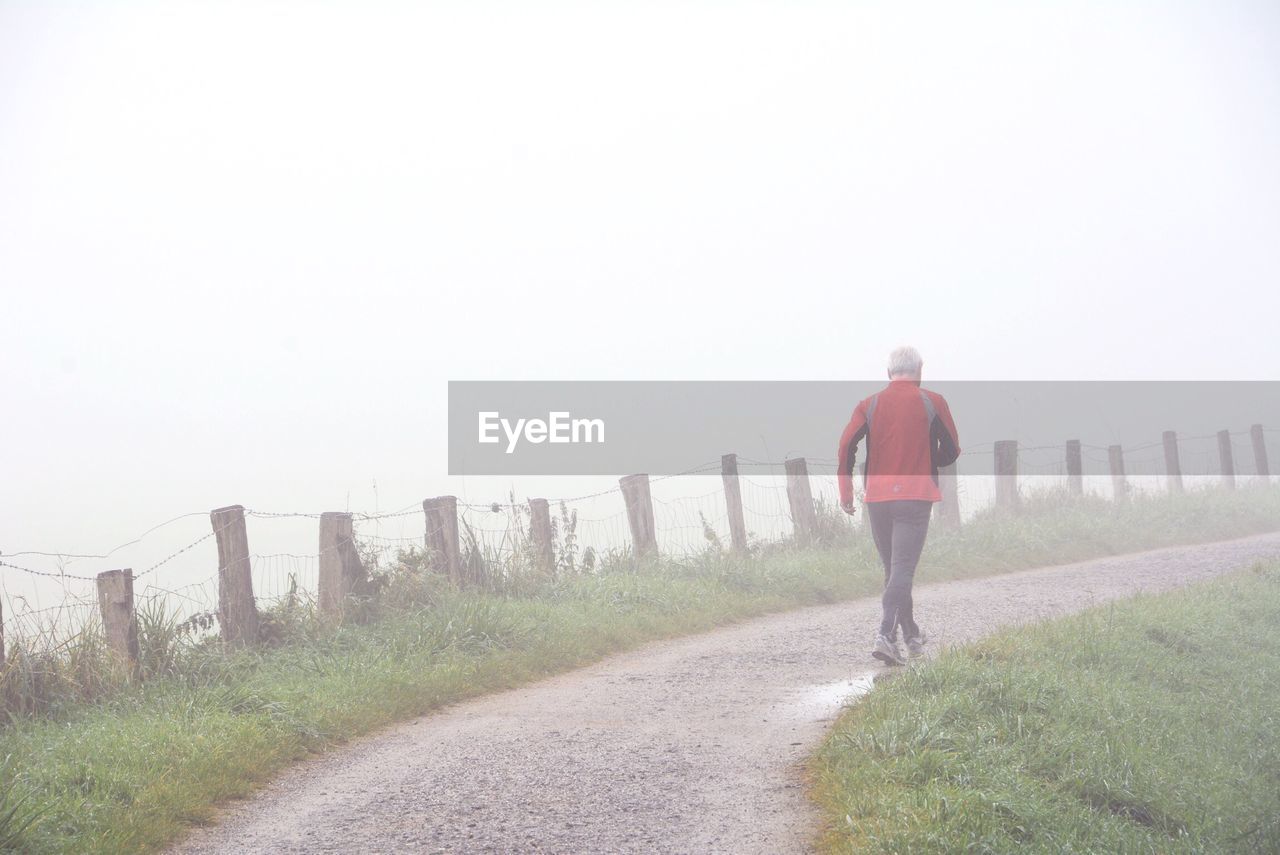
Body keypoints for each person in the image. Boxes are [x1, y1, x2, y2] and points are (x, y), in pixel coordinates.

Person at [836, 346, 960, 666]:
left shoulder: (869, 404)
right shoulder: (934, 401)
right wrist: (931, 459)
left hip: (878, 497)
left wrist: (846, 491)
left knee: (894, 570)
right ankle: (886, 636)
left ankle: (911, 635)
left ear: (888, 372)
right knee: (902, 569)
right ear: (919, 370)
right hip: (915, 496)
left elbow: (846, 444)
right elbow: (952, 449)